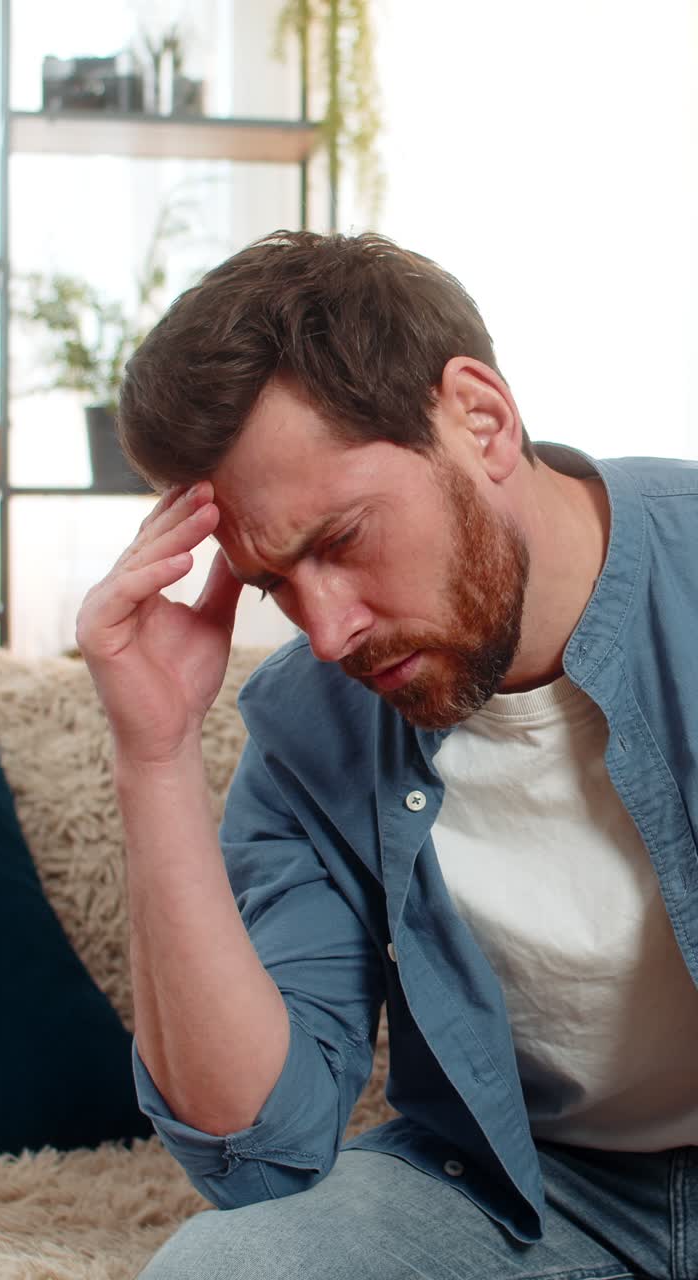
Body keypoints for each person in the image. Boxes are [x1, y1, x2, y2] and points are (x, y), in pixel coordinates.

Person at [76, 230, 698, 1280]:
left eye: (340, 539)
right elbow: (256, 1146)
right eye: (275, 582)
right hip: (527, 1197)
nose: (325, 632)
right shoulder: (310, 721)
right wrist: (156, 754)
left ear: (482, 420)